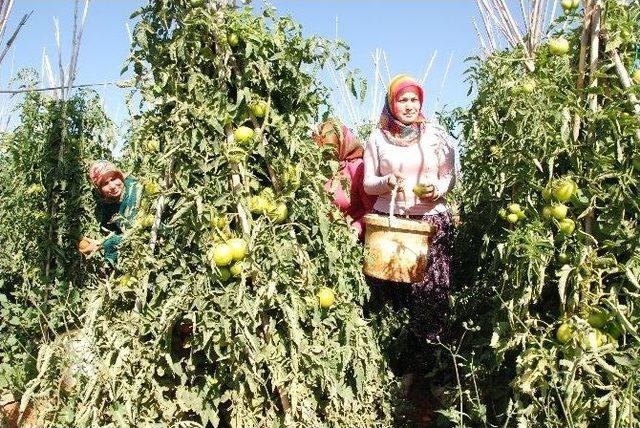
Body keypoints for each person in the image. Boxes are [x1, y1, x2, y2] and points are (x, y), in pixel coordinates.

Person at [363, 74, 456, 378]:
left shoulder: (436, 136)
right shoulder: (376, 139)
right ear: (391, 103)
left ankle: (427, 366)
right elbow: (368, 184)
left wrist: (437, 190)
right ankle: (392, 364)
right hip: (392, 223)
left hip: (431, 224)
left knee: (431, 293)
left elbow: (448, 176)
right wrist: (387, 182)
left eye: (414, 99)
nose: (409, 105)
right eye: (402, 99)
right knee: (392, 292)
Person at [313, 119, 377, 241]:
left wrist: (355, 229)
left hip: (352, 242)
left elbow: (372, 211)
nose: (326, 160)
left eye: (330, 154)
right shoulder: (314, 171)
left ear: (342, 147)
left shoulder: (357, 168)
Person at [79, 160, 141, 263]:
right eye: (105, 183)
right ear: (100, 189)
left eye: (113, 179)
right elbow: (112, 232)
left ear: (120, 176)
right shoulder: (108, 206)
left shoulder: (134, 190)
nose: (112, 186)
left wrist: (102, 244)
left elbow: (136, 233)